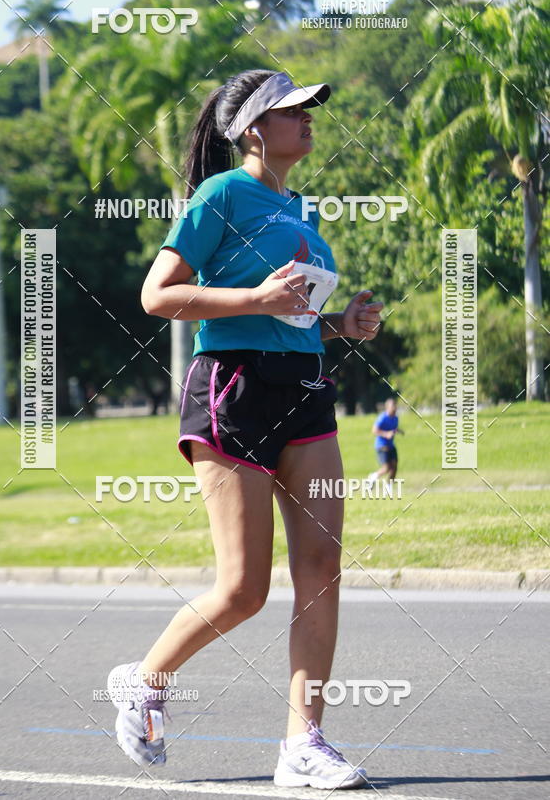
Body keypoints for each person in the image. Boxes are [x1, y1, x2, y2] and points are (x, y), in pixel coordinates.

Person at [107, 69, 383, 790]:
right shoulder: (221, 195)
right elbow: (157, 294)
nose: (310, 119)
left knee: (321, 573)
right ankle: (145, 680)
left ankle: (304, 744)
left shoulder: (303, 208)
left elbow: (286, 314)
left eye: (310, 110)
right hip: (232, 392)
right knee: (244, 589)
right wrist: (256, 294)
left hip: (306, 391)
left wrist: (340, 326)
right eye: (296, 111)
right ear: (254, 129)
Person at [366, 397, 403, 484]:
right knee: (386, 468)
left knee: (394, 466)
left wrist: (398, 431)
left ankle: (389, 486)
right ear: (387, 408)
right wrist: (386, 434)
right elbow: (374, 430)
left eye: (395, 406)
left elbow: (392, 429)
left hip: (390, 445)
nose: (394, 408)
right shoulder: (382, 418)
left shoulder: (395, 418)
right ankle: (372, 477)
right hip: (381, 445)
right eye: (392, 406)